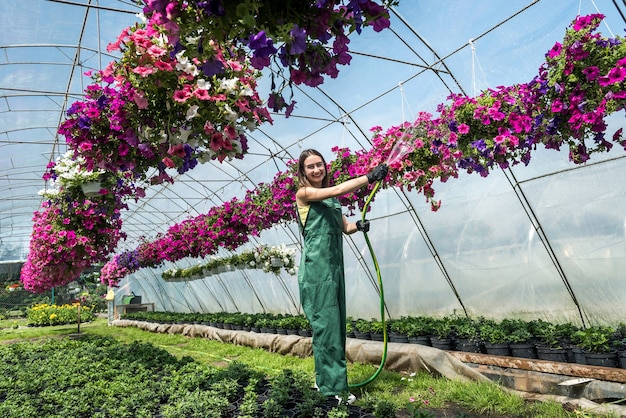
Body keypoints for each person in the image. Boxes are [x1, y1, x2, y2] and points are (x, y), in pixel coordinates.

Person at [295, 148, 388, 403]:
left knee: (334, 327)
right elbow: (336, 190)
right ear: (303, 172)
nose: (316, 170)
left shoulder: (329, 202)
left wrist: (357, 226)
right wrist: (368, 178)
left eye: (319, 165)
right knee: (326, 328)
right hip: (317, 270)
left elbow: (343, 227)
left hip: (334, 267)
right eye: (310, 167)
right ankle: (332, 389)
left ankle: (324, 380)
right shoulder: (304, 194)